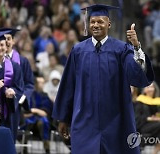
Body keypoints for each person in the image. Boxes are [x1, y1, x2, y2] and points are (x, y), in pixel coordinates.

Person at [52, 4, 154, 154]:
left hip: (115, 120)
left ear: (109, 24)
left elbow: (137, 77)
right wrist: (63, 118)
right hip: (85, 121)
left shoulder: (122, 49)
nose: (95, 25)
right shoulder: (78, 51)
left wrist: (137, 47)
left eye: (100, 21)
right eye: (92, 22)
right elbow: (68, 85)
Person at [0, 31, 24, 142]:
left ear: (6, 47)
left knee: (6, 143)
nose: (0, 48)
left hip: (9, 112)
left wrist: (13, 91)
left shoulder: (15, 67)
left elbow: (20, 87)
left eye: (2, 45)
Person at [0, 27, 34, 111]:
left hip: (16, 105)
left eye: (8, 39)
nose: (6, 41)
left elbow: (29, 84)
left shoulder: (22, 61)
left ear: (13, 41)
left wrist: (20, 96)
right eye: (3, 39)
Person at [134, 82, 160, 154]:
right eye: (148, 87)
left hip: (155, 126)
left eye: (152, 87)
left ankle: (155, 152)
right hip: (143, 126)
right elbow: (137, 118)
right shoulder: (140, 101)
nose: (150, 89)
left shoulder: (157, 102)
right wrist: (149, 119)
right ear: (144, 90)